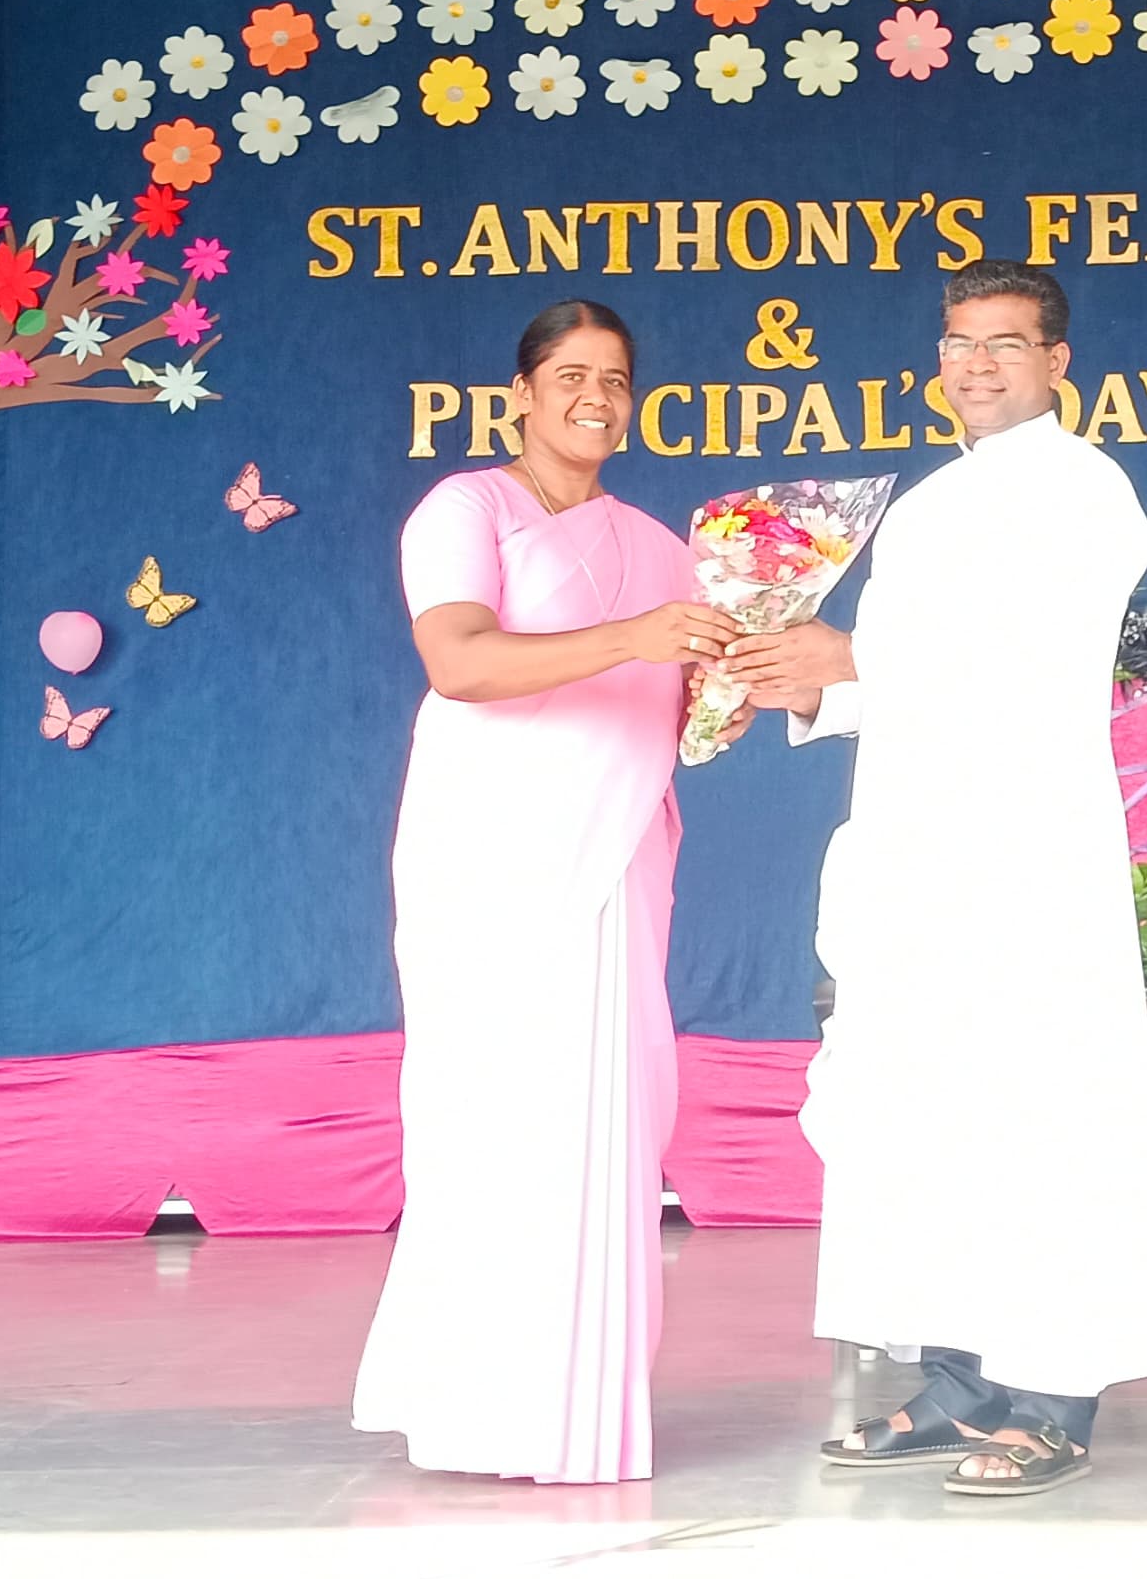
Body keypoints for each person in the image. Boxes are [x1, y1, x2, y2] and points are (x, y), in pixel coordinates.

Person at [725, 262, 1147, 1498]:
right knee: (928, 1113)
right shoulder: (923, 507)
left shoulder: (1088, 491)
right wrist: (801, 680)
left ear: (1056, 362)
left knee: (1035, 1109)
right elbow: (891, 679)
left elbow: (1035, 661)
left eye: (1005, 343)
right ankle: (957, 1380)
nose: (975, 365)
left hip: (1024, 854)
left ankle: (1055, 1395)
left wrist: (851, 654)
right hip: (918, 850)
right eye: (958, 343)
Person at [350, 300, 744, 1484]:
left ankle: (580, 1408)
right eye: (569, 374)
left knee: (604, 1125)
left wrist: (735, 690)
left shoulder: (666, 547)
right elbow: (458, 661)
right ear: (520, 393)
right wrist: (634, 637)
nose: (594, 397)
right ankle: (474, 1406)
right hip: (490, 857)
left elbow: (680, 711)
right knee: (491, 1117)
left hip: (615, 856)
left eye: (614, 378)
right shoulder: (466, 508)